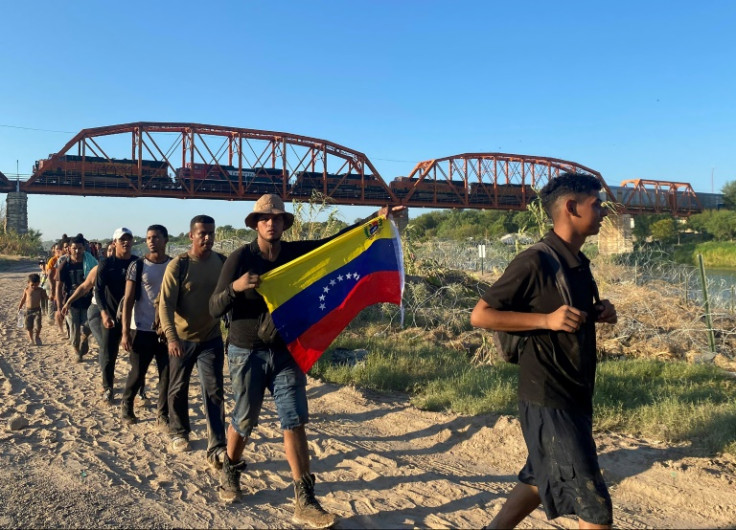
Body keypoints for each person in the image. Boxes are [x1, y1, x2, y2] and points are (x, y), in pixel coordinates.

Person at [209, 193, 402, 527]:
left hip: (285, 350)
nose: (271, 223)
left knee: (294, 419)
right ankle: (230, 467)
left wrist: (376, 219)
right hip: (246, 352)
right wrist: (236, 289)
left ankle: (305, 499)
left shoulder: (295, 254)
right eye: (265, 218)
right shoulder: (240, 259)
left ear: (284, 223)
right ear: (256, 224)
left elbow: (336, 243)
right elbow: (213, 308)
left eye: (277, 218)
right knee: (245, 418)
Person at [469, 173, 618, 529]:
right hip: (549, 397)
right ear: (571, 207)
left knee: (538, 477)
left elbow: (565, 314)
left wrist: (599, 314)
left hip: (575, 393)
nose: (603, 213)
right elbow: (481, 315)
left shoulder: (577, 263)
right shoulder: (535, 260)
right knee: (595, 509)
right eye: (596, 205)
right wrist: (546, 320)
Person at [159, 215, 227, 466]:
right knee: (177, 388)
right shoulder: (179, 265)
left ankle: (217, 443)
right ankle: (179, 432)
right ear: (191, 235)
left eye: (211, 233)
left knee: (214, 390)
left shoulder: (221, 262)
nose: (207, 238)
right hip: (182, 339)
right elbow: (165, 305)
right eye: (202, 233)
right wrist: (171, 337)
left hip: (211, 337)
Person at [120, 225, 172, 427]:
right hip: (141, 328)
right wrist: (125, 332)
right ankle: (127, 406)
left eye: (156, 237)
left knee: (166, 375)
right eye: (149, 238)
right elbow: (128, 300)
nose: (151, 241)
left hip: (167, 331)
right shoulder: (138, 266)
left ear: (165, 240)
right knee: (137, 372)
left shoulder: (174, 266)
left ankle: (163, 414)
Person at [95, 227, 137, 404]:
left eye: (128, 239)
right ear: (115, 243)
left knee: (137, 356)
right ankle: (108, 388)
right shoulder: (106, 264)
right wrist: (104, 314)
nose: (126, 242)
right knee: (108, 354)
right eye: (122, 240)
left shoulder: (137, 263)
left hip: (134, 318)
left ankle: (139, 389)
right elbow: (98, 291)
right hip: (111, 316)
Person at [56, 235, 94, 362]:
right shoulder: (64, 266)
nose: (77, 251)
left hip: (87, 301)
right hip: (70, 302)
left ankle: (84, 340)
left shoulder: (91, 263)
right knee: (74, 328)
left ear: (84, 248)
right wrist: (59, 307)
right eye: (74, 248)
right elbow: (58, 287)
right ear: (69, 250)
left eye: (80, 248)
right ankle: (77, 351)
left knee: (86, 327)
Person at [18, 273, 49, 345]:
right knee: (29, 327)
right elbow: (23, 299)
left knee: (38, 326)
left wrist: (49, 297)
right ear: (28, 283)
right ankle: (31, 339)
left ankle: (37, 337)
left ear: (39, 283)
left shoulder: (40, 290)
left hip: (37, 310)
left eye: (36, 284)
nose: (34, 286)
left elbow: (45, 298)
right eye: (32, 285)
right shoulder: (26, 290)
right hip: (28, 310)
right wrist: (20, 306)